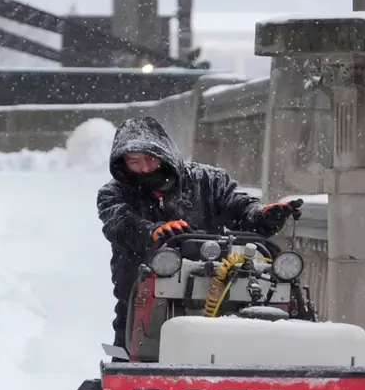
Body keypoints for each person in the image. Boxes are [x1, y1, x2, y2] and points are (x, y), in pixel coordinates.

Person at [97, 116, 303, 351]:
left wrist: (263, 216)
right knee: (132, 350)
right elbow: (120, 223)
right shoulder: (113, 193)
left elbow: (239, 206)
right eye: (134, 162)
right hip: (141, 292)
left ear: (165, 154)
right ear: (122, 162)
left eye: (151, 159)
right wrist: (152, 232)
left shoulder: (209, 181)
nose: (144, 168)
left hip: (214, 284)